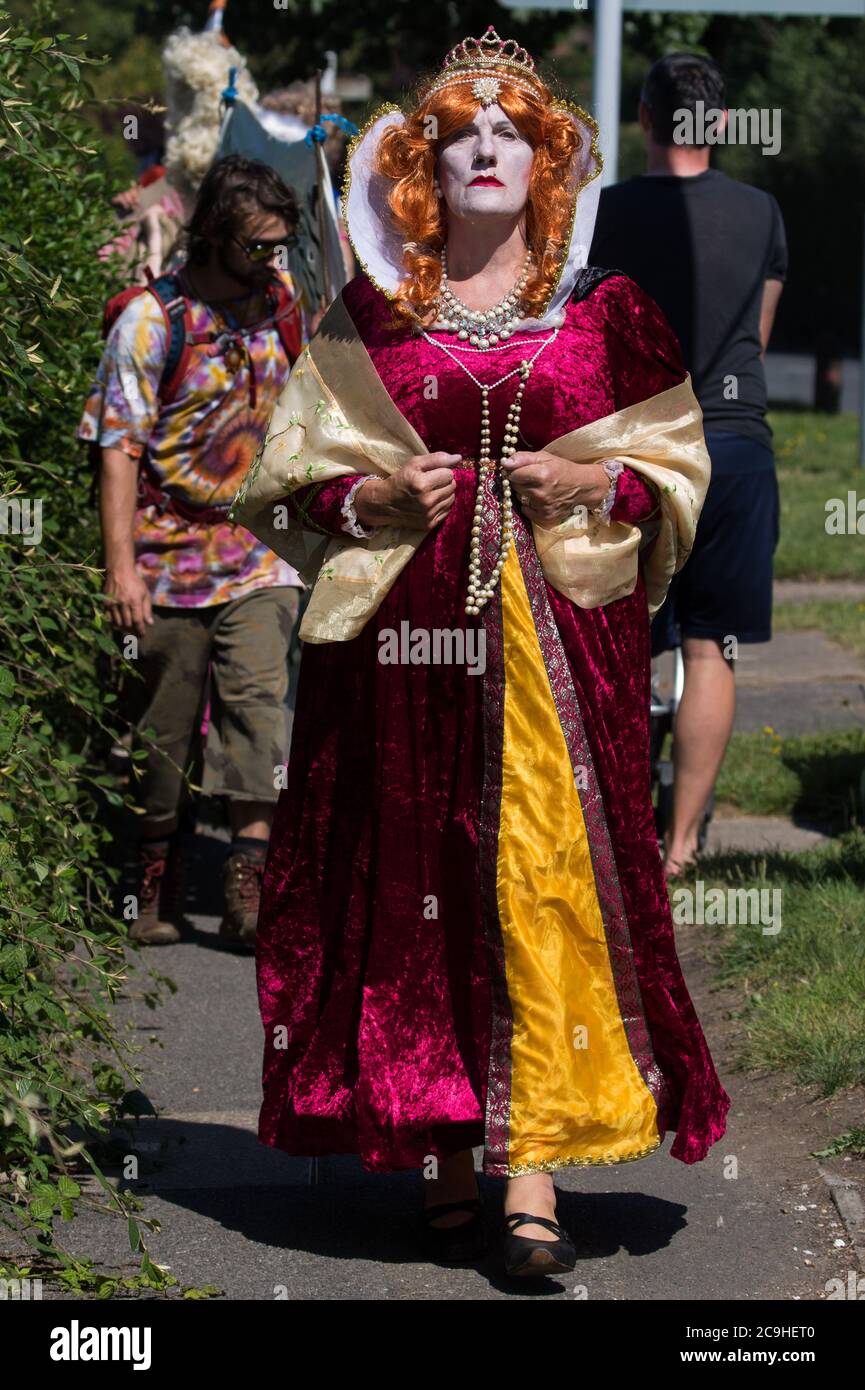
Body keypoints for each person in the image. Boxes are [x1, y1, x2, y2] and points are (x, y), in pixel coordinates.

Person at [232, 27, 731, 1279]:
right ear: (428, 172)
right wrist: (375, 497)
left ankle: (533, 1173)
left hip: (561, 659)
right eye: (466, 138)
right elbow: (285, 484)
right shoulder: (366, 323)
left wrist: (592, 479)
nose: (492, 152)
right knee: (414, 887)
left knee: (542, 886)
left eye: (516, 134)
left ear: (549, 164)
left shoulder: (605, 314)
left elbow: (676, 473)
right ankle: (446, 1151)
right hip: (397, 657)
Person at [79, 156, 305, 948]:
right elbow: (118, 448)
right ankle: (154, 880)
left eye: (280, 248)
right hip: (165, 558)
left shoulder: (282, 308)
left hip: (256, 555)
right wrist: (120, 567)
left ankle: (247, 884)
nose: (270, 264)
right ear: (213, 236)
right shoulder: (154, 319)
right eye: (257, 248)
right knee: (161, 734)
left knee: (256, 717)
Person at [590, 53, 788, 877]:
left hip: (634, 444)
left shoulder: (604, 214)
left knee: (623, 639)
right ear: (718, 124)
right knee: (711, 647)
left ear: (643, 118)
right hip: (733, 441)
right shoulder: (761, 211)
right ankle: (677, 848)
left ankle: (621, 838)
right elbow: (761, 335)